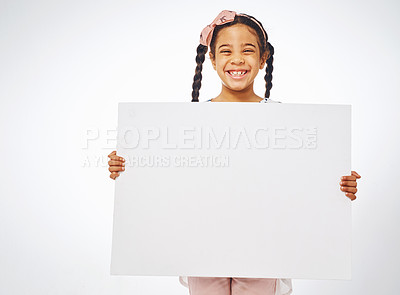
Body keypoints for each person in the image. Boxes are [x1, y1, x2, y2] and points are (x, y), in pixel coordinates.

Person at [107, 10, 361, 295]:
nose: (237, 59)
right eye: (226, 51)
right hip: (202, 243)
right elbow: (167, 179)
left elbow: (303, 179)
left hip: (265, 243)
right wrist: (130, 166)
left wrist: (337, 185)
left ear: (263, 57)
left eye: (248, 50)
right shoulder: (187, 123)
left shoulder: (286, 121)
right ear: (212, 60)